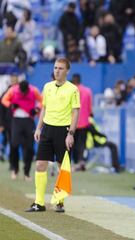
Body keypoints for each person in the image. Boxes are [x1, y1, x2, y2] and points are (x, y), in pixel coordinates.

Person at [26, 58, 80, 213]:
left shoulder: (72, 89)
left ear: (67, 71)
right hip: (47, 130)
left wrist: (71, 134)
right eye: (55, 68)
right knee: (39, 165)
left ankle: (59, 201)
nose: (57, 71)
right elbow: (44, 108)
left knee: (61, 167)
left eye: (61, 68)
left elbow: (76, 112)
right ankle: (39, 203)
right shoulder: (47, 87)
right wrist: (38, 128)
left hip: (63, 131)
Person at [1, 80, 42, 181]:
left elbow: (42, 101)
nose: (23, 93)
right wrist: (10, 105)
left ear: (28, 89)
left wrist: (37, 108)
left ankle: (26, 172)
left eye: (25, 92)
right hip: (16, 121)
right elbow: (4, 100)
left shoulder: (34, 90)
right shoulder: (13, 90)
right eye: (21, 92)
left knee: (30, 147)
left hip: (29, 120)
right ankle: (15, 169)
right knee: (14, 144)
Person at [71, 74, 92, 171]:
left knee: (72, 143)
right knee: (82, 144)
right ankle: (81, 162)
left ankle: (74, 163)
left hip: (73, 122)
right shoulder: (88, 91)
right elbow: (90, 108)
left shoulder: (71, 90)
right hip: (84, 122)